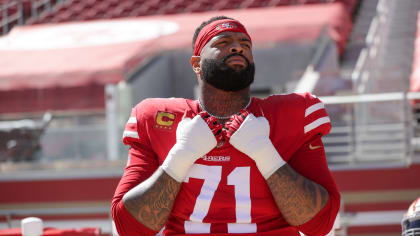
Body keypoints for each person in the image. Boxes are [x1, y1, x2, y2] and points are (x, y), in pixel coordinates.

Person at [111, 16, 340, 236]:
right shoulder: (157, 119)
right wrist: (179, 158)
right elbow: (129, 229)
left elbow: (319, 224)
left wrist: (266, 155)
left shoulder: (292, 114)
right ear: (197, 64)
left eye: (245, 44)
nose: (237, 48)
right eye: (223, 42)